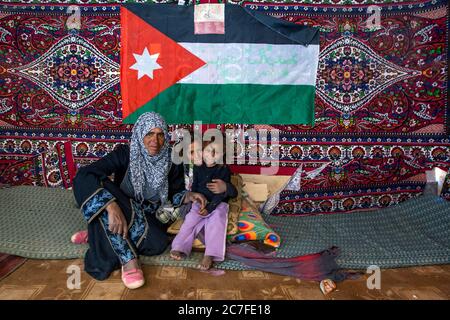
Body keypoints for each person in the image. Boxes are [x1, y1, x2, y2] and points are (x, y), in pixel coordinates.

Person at [71, 112, 207, 289]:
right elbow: (85, 174)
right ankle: (129, 261)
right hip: (121, 206)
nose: (155, 140)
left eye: (160, 134)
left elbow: (171, 195)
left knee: (158, 244)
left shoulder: (172, 159)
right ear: (140, 133)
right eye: (149, 134)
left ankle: (99, 233)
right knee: (96, 181)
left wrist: (187, 196)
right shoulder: (125, 154)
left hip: (148, 215)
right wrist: (112, 207)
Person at [170, 140, 237, 270]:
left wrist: (210, 208)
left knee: (217, 220)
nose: (211, 154)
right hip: (200, 202)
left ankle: (211, 254)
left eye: (215, 152)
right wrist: (196, 199)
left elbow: (223, 194)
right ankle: (179, 247)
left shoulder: (223, 169)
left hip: (218, 203)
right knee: (190, 220)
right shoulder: (197, 167)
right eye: (207, 151)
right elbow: (195, 186)